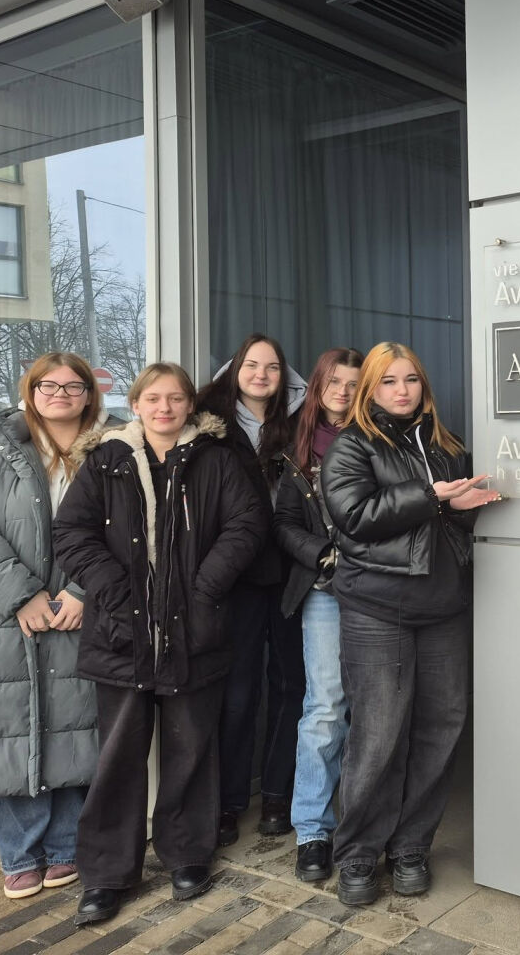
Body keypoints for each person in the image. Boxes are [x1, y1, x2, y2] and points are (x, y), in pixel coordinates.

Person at [54, 363, 266, 925]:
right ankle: (107, 874)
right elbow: (70, 533)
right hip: (121, 633)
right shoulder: (107, 460)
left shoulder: (216, 459)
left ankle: (187, 854)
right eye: (153, 398)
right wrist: (115, 590)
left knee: (191, 749)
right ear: (136, 404)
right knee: (118, 757)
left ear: (190, 405)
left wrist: (204, 588)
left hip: (195, 631)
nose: (164, 408)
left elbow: (247, 524)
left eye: (175, 398)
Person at [320, 342, 498, 905]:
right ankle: (357, 855)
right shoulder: (352, 445)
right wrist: (430, 497)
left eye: (411, 380)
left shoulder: (448, 447)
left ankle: (411, 847)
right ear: (370, 388)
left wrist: (460, 508)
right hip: (378, 610)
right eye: (389, 381)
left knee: (440, 730)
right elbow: (353, 517)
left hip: (443, 608)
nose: (402, 391)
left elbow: (449, 524)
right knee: (378, 736)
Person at [0, 353, 110, 899]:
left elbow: (126, 527)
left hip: (80, 609)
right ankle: (19, 854)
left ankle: (66, 848)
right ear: (30, 391)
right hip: (1, 613)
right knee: (9, 728)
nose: (60, 394)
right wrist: (21, 595)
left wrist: (82, 591)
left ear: (89, 394)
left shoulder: (111, 450)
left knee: (74, 727)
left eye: (73, 386)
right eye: (48, 385)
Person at [196, 333, 307, 844]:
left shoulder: (297, 424)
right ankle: (228, 801)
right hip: (236, 576)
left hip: (290, 572)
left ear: (285, 376)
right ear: (234, 370)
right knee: (237, 692)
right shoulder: (210, 425)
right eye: (252, 365)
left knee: (290, 686)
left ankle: (278, 795)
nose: (261, 375)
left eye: (272, 367)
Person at [273, 346, 364, 883]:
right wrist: (322, 554)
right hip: (325, 588)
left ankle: (362, 821)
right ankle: (312, 828)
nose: (343, 392)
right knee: (326, 706)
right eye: (335, 382)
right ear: (318, 385)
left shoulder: (380, 438)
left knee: (373, 709)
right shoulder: (297, 446)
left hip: (378, 590)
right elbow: (283, 523)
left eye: (354, 383)